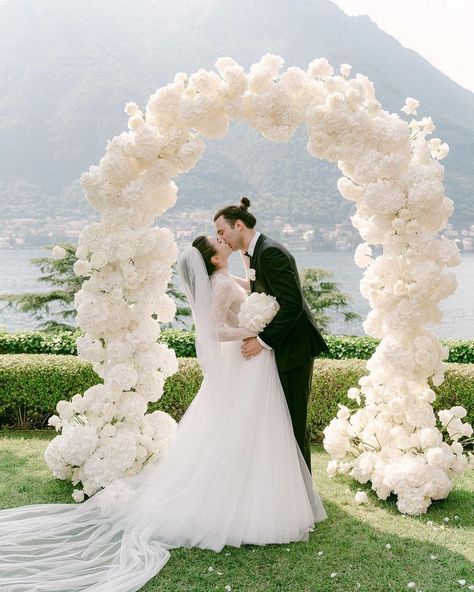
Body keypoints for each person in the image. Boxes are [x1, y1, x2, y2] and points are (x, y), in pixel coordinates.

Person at [0, 234, 327, 591]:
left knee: (250, 430)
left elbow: (249, 289)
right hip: (246, 357)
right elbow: (213, 329)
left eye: (222, 235)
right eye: (217, 241)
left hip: (250, 361)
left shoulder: (225, 276)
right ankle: (244, 501)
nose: (223, 240)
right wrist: (249, 330)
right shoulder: (218, 284)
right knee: (243, 429)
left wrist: (255, 307)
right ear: (215, 260)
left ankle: (259, 490)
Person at [214, 197, 330, 472]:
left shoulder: (270, 252)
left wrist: (262, 342)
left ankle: (301, 489)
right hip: (283, 345)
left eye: (222, 232)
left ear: (238, 225)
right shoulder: (255, 253)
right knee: (280, 420)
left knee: (292, 420)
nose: (221, 238)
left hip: (294, 347)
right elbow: (261, 293)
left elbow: (292, 305)